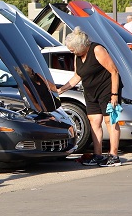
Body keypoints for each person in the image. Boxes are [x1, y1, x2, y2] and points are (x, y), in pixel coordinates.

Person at [48, 27, 122, 167]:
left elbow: (114, 71)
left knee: (110, 120)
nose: (72, 52)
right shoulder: (77, 56)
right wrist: (61, 90)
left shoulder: (97, 50)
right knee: (94, 121)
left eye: (73, 49)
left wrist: (114, 94)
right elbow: (78, 76)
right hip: (90, 91)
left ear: (82, 46)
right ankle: (98, 155)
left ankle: (114, 156)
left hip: (107, 89)